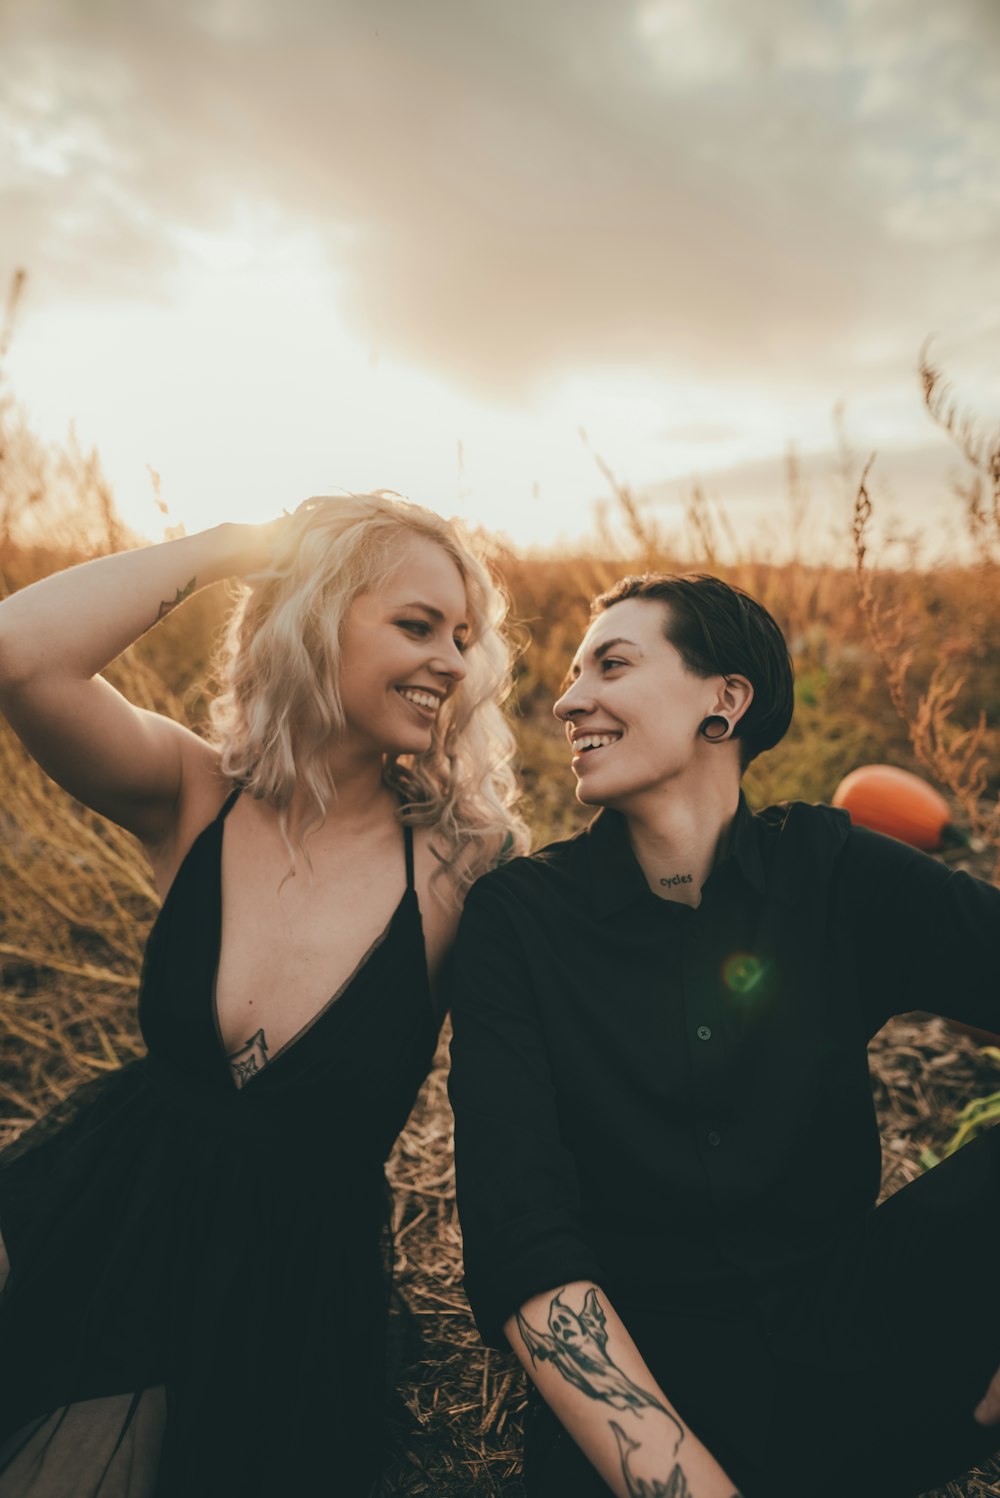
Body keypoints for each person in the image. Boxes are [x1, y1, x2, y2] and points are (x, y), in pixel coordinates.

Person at [0, 492, 528, 1497]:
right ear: (314, 620)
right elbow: (21, 649)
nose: (454, 663)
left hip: (287, 1294)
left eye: (465, 638)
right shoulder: (194, 793)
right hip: (110, 1219)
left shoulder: (464, 863)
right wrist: (229, 549)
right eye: (416, 625)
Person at [448, 571, 1000, 1498]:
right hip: (635, 1413)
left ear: (725, 701)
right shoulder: (521, 920)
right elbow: (519, 1234)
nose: (568, 698)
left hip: (853, 1350)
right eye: (574, 674)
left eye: (611, 665)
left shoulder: (829, 869)